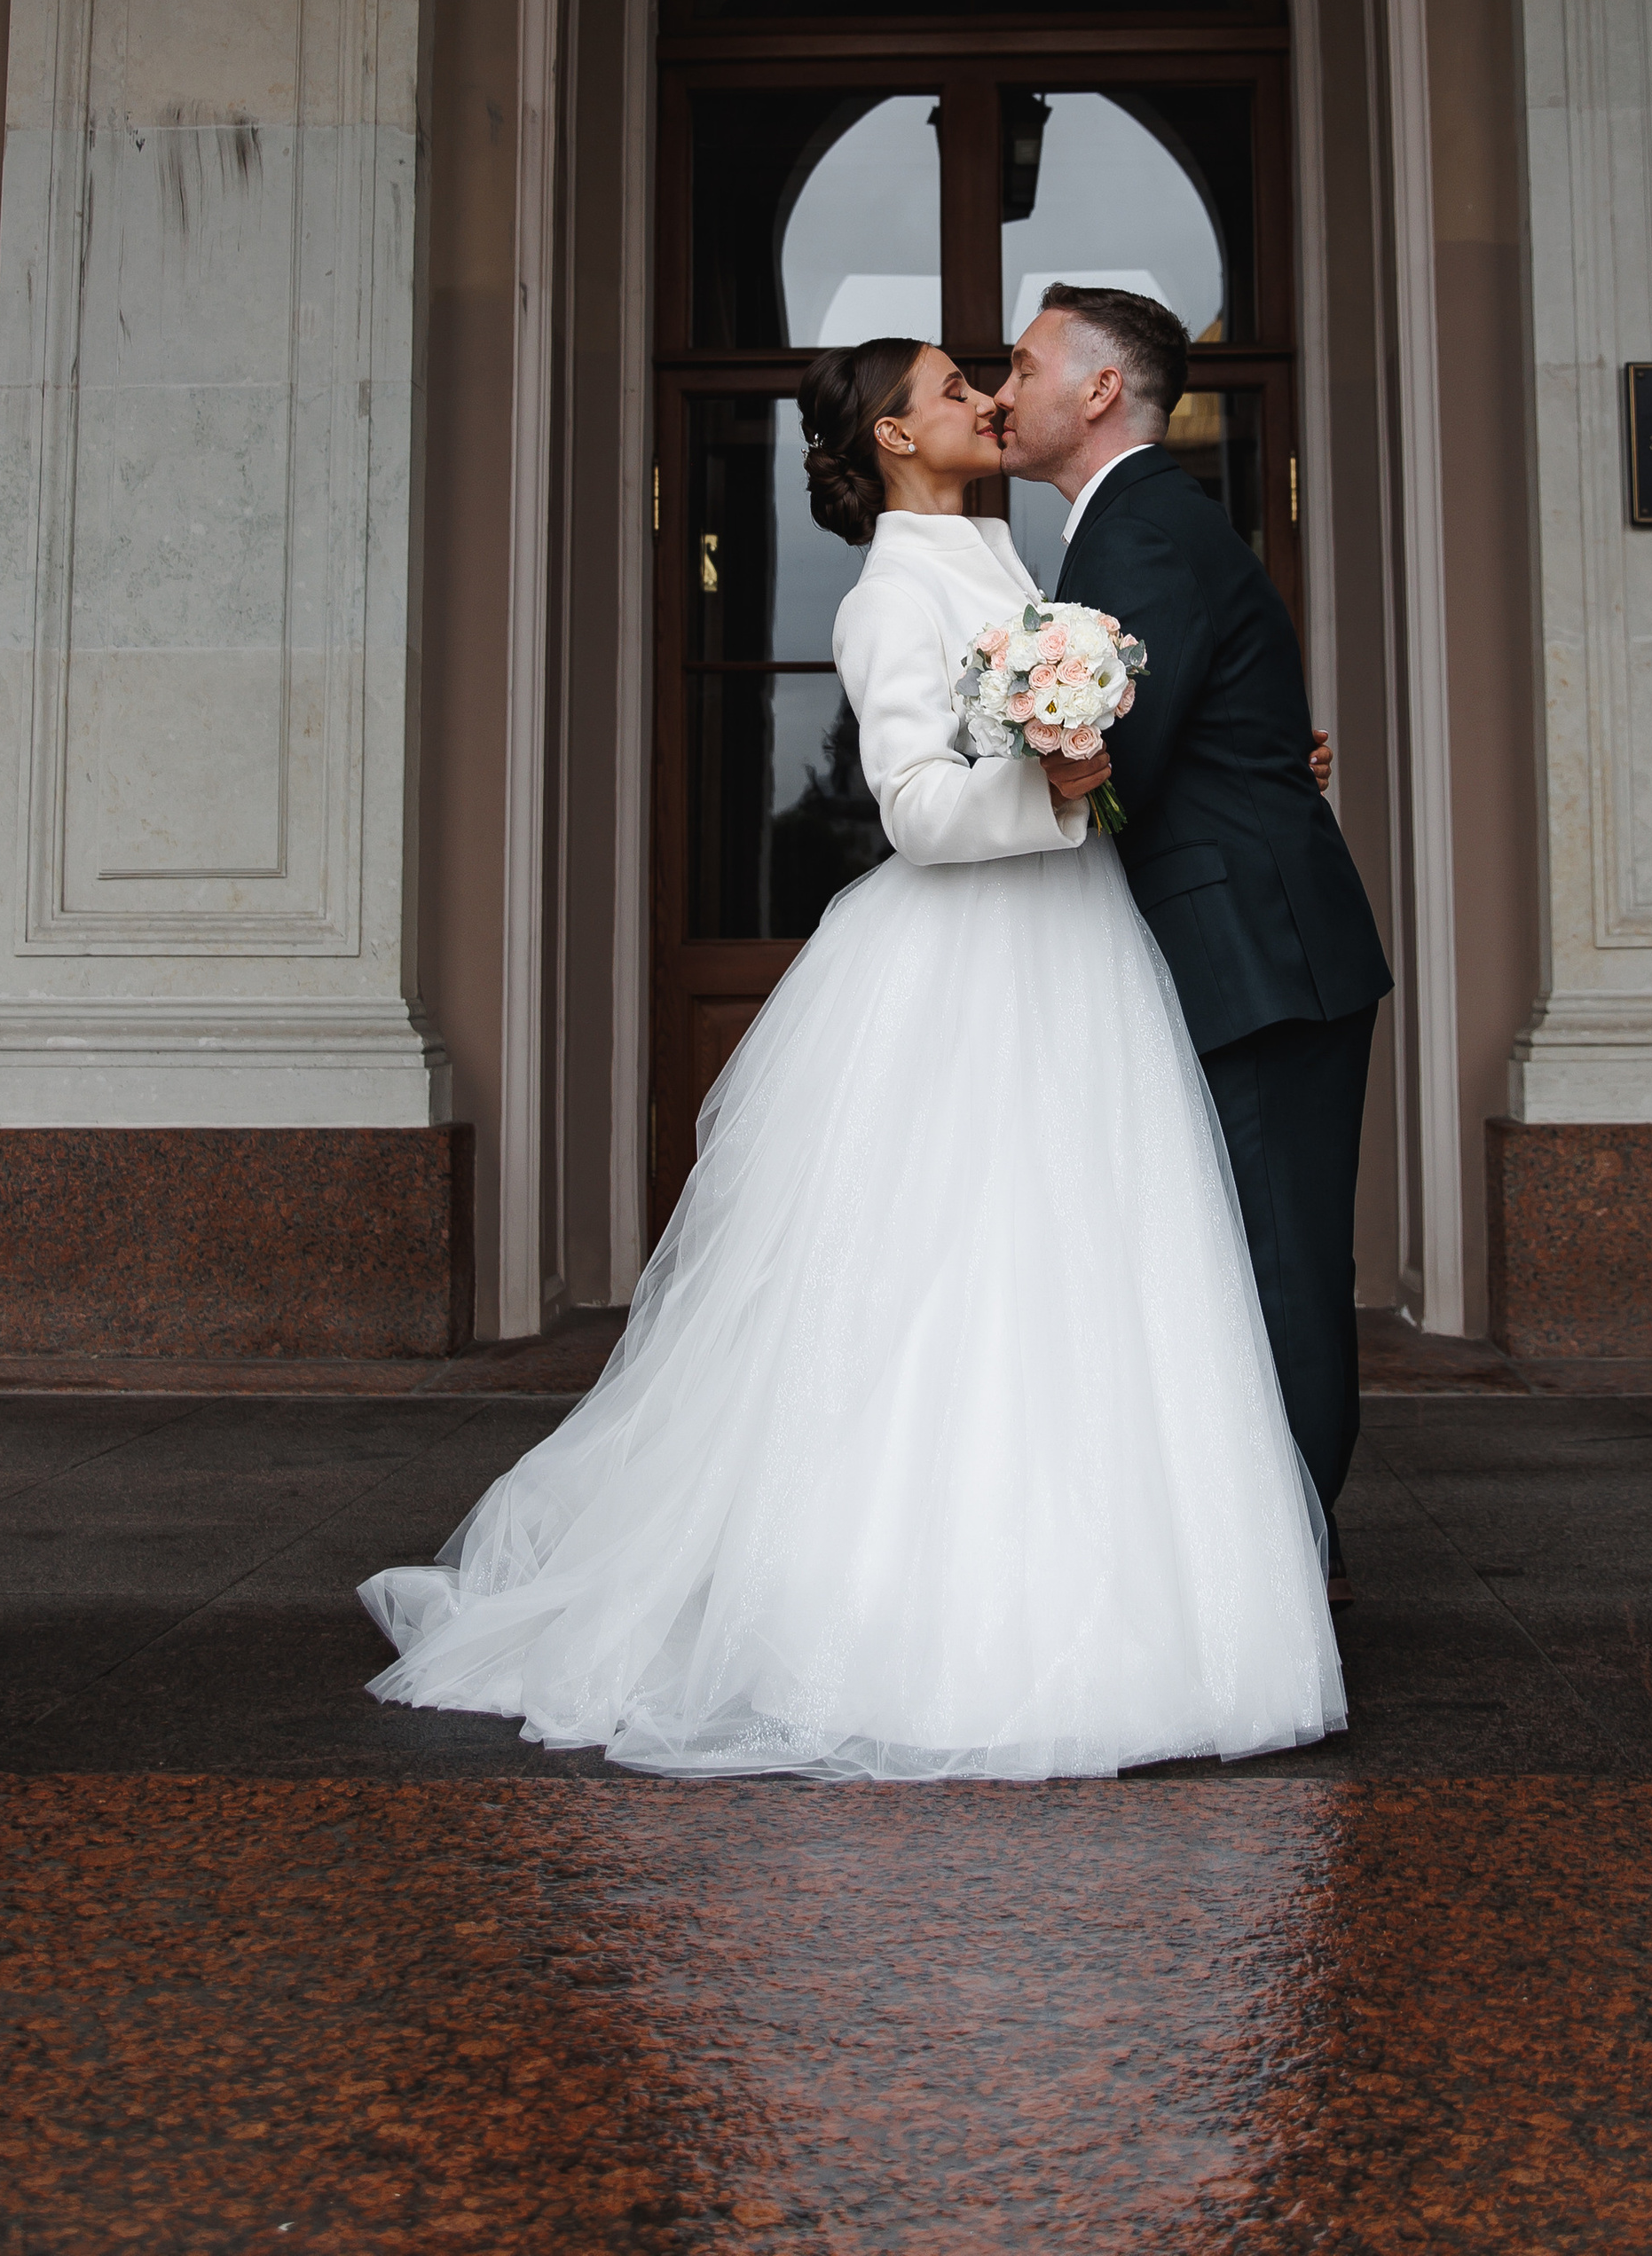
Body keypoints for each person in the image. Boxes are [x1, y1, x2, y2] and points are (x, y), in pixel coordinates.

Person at [358, 336, 1344, 1778]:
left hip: (1073, 955)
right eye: (955, 390)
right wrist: (1060, 784)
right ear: (892, 438)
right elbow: (917, 812)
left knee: (1087, 1273)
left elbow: (1105, 733)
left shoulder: (1007, 558)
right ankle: (912, 1616)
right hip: (976, 965)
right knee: (948, 1280)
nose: (986, 402)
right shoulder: (892, 594)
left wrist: (1217, 765)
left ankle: (1102, 1597)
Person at [995, 287, 1392, 1606]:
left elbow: (1122, 770)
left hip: (1256, 956)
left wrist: (967, 782)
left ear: (1100, 390)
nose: (1008, 388)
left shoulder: (1140, 532)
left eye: (1026, 362)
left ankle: (1287, 1574)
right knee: (1247, 1259)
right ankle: (1264, 1560)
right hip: (1243, 941)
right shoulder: (1131, 527)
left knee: (1277, 1266)